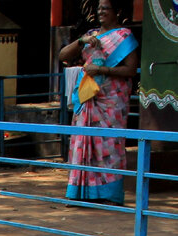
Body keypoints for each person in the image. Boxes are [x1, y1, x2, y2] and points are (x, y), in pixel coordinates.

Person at [58, 0, 138, 205]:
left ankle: (109, 194)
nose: (100, 12)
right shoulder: (91, 34)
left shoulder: (124, 36)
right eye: (99, 8)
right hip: (88, 97)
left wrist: (102, 70)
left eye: (105, 8)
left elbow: (130, 70)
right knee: (83, 142)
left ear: (116, 11)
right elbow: (63, 56)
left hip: (111, 101)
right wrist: (82, 41)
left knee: (109, 146)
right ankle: (80, 193)